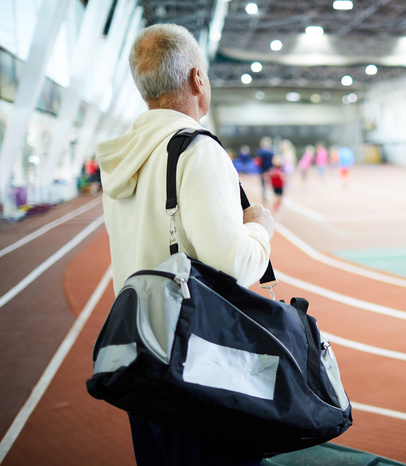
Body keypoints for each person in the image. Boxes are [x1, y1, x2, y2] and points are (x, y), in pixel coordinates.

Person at [95, 23, 274, 466]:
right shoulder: (197, 150)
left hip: (143, 362)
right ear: (197, 79)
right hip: (197, 368)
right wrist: (261, 228)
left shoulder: (121, 158)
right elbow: (237, 266)